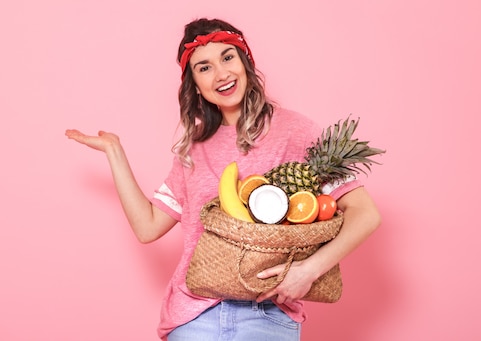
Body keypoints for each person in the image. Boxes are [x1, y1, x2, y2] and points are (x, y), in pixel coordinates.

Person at [65, 18, 381, 341]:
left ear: (245, 62)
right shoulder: (193, 149)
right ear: (195, 84)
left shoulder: (298, 132)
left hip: (267, 314)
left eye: (227, 58)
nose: (221, 74)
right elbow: (147, 227)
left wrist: (308, 271)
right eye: (204, 67)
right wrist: (115, 152)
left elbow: (365, 213)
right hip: (192, 315)